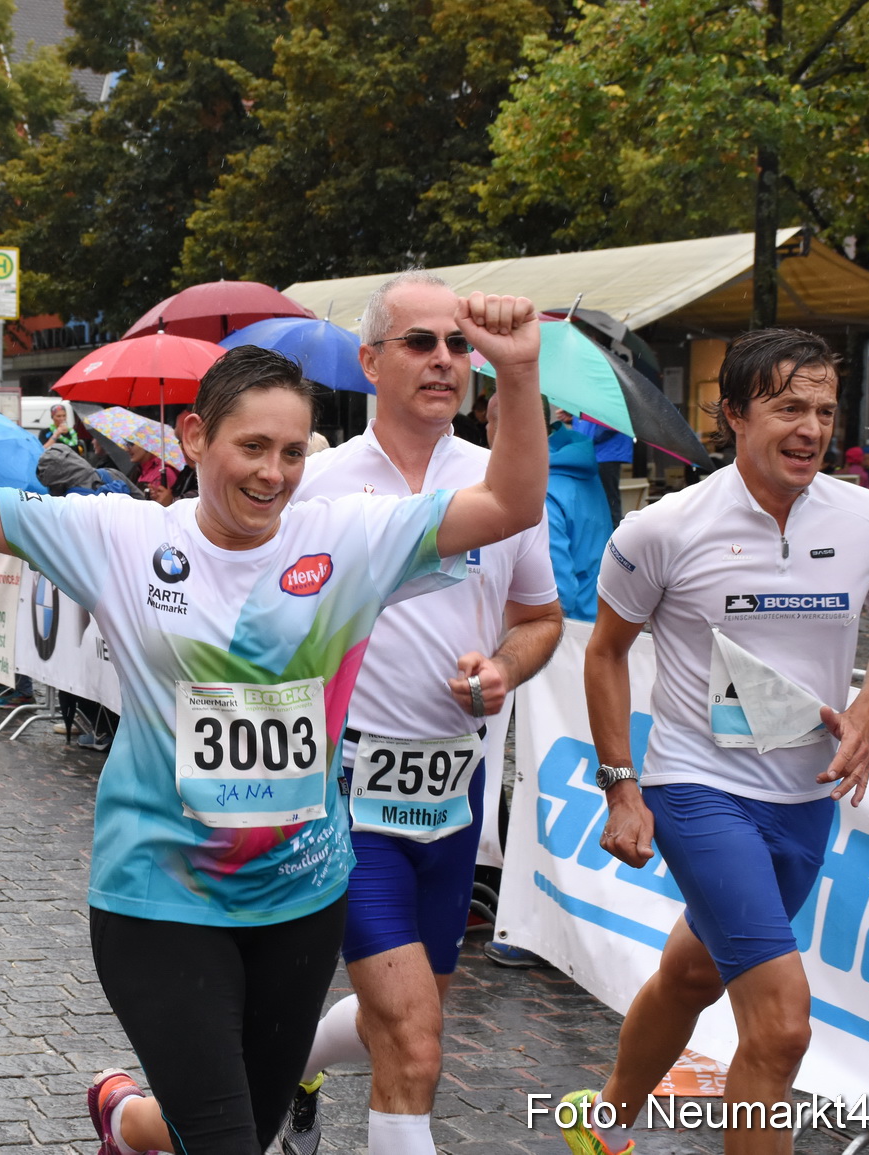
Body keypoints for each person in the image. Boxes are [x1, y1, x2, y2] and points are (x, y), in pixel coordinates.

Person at [0, 276, 548, 1155]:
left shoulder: (346, 537)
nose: (273, 473)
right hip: (161, 896)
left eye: (293, 452)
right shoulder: (124, 537)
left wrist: (517, 378)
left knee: (233, 1132)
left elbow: (510, 506)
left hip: (300, 898)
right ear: (195, 436)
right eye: (252, 447)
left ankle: (131, 1123)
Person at [570, 329, 869, 1155]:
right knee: (782, 1025)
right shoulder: (663, 529)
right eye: (788, 407)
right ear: (732, 413)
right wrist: (623, 787)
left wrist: (865, 719)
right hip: (698, 789)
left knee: (694, 971)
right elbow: (606, 651)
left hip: (805, 801)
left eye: (825, 410)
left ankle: (604, 1122)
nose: (811, 428)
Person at [286, 270, 564, 1155]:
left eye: (458, 345)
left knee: (406, 1018)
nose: (444, 360)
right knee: (413, 1039)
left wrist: (505, 669)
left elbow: (541, 619)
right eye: (419, 343)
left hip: (452, 795)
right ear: (370, 361)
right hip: (344, 793)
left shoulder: (503, 481)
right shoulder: (313, 482)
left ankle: (291, 1065)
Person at [534, 407, 613, 622]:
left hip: (568, 632)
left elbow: (558, 595)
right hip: (601, 616)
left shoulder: (542, 492)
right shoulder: (583, 466)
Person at [575, 412, 633, 526]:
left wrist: (588, 438)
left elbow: (613, 418)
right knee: (604, 500)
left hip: (604, 452)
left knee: (607, 501)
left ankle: (614, 536)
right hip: (598, 451)